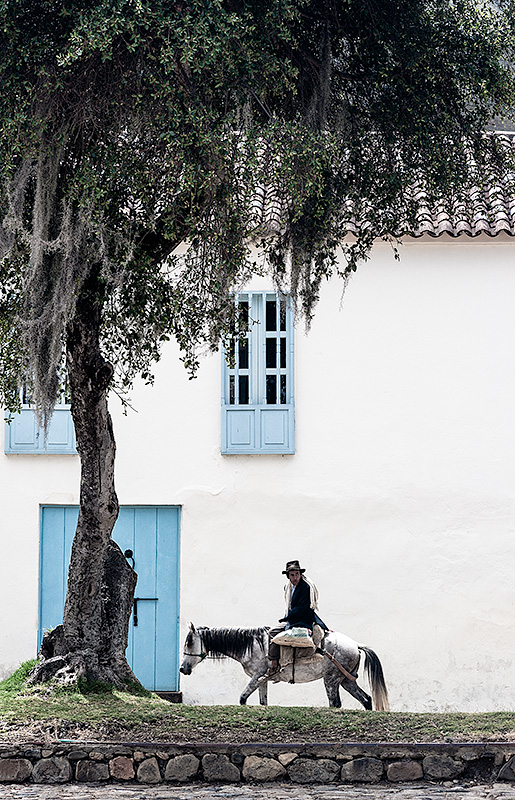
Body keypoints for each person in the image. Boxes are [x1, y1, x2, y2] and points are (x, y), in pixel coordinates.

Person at [267, 560, 328, 673]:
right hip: (293, 618)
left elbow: (303, 608)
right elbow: (290, 605)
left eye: (297, 574)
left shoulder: (305, 587)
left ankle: (275, 663)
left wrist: (287, 618)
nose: (295, 578)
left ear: (300, 574)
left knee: (273, 633)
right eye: (292, 575)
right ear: (288, 576)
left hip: (302, 619)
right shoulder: (288, 587)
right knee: (273, 632)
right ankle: (275, 661)